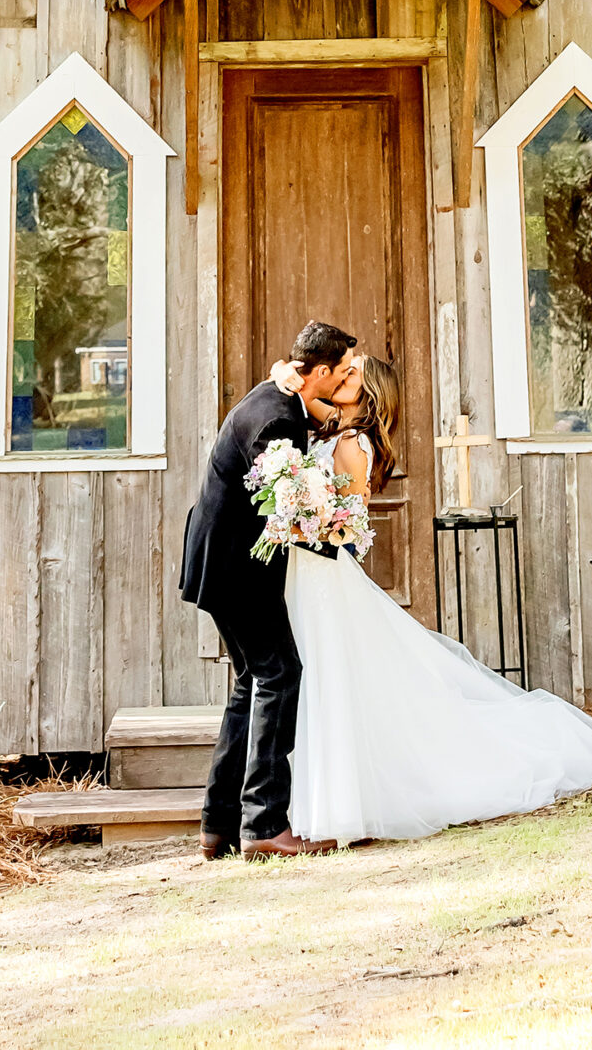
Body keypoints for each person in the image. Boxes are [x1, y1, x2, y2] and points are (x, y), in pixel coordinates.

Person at [285, 354, 592, 844]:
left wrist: (297, 521)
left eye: (352, 374)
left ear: (370, 393)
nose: (340, 376)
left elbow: (346, 526)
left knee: (333, 676)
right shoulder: (323, 429)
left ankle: (341, 806)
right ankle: (313, 800)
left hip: (323, 572)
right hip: (303, 576)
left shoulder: (355, 444)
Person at [178, 317, 362, 858]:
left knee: (252, 683)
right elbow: (286, 510)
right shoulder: (275, 423)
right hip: (239, 569)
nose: (347, 378)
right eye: (344, 371)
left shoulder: (278, 396)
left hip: (221, 563)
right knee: (281, 674)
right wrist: (336, 531)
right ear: (320, 371)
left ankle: (219, 824)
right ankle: (263, 826)